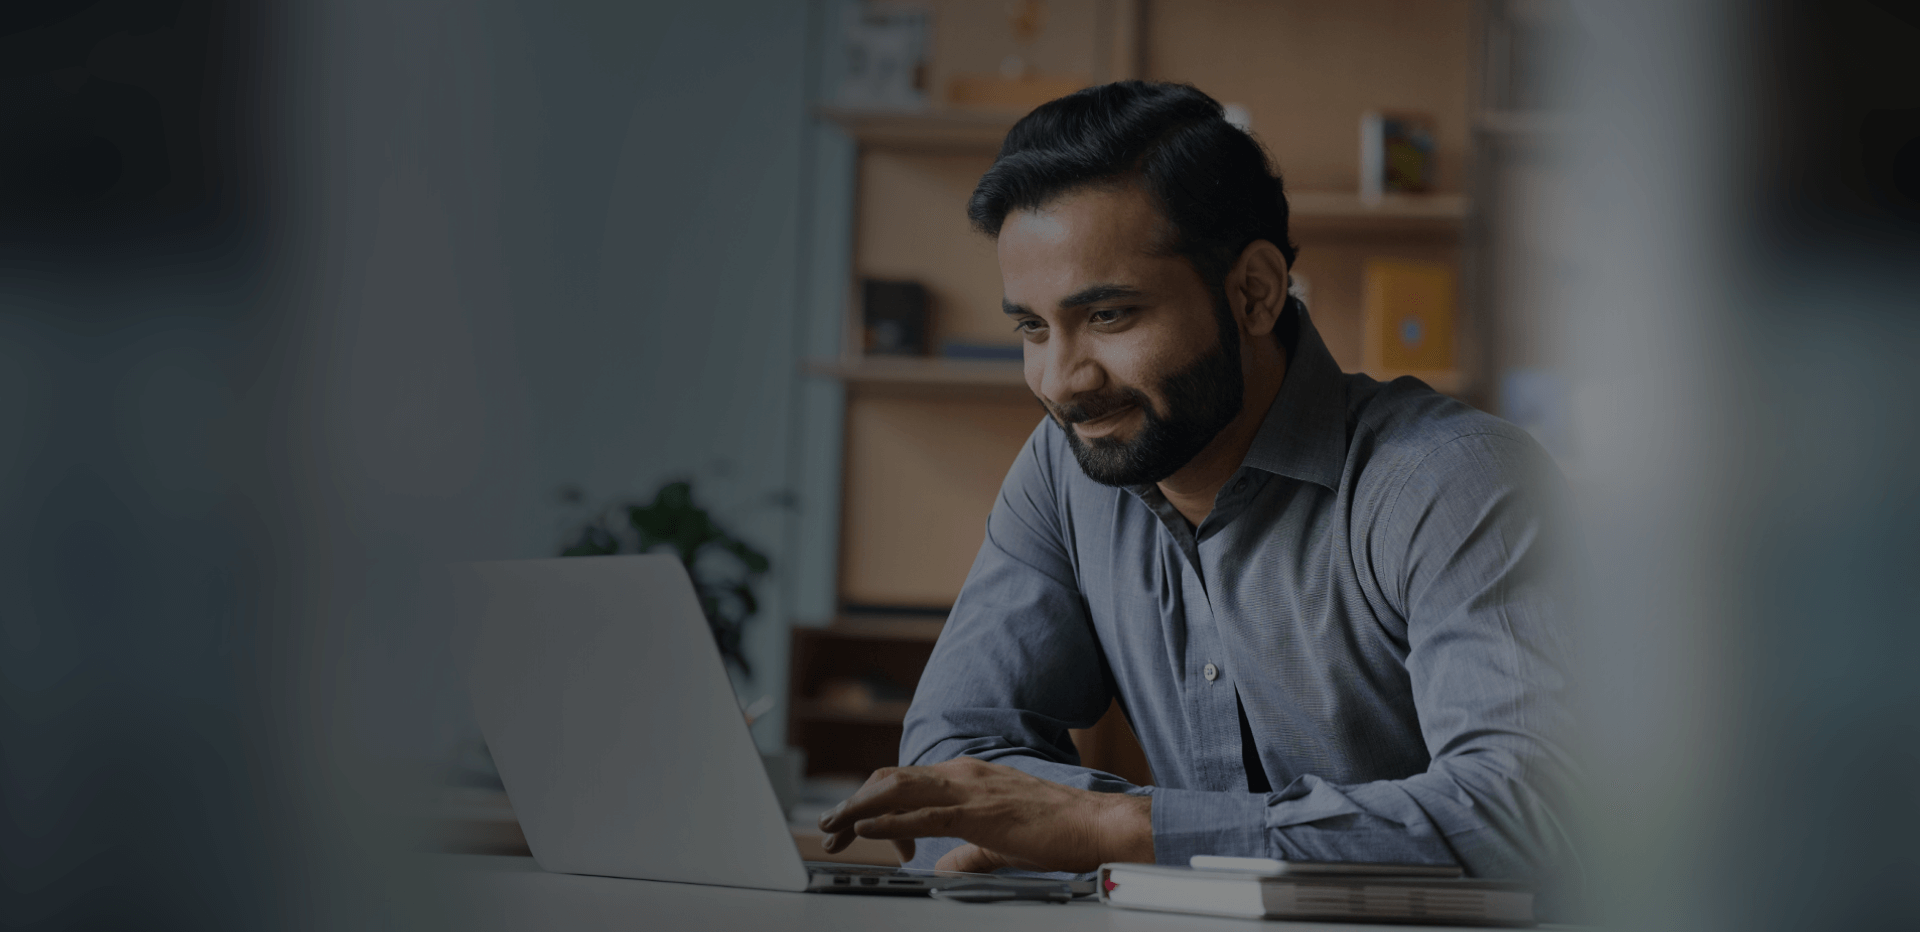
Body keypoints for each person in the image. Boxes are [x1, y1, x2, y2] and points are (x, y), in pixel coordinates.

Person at [817, 81, 1578, 894]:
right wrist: (1104, 834)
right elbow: (947, 769)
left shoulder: (1451, 478)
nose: (1060, 381)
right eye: (1032, 328)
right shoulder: (1063, 466)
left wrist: (1111, 830)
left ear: (1254, 291)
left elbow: (1528, 815)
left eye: (1109, 316)